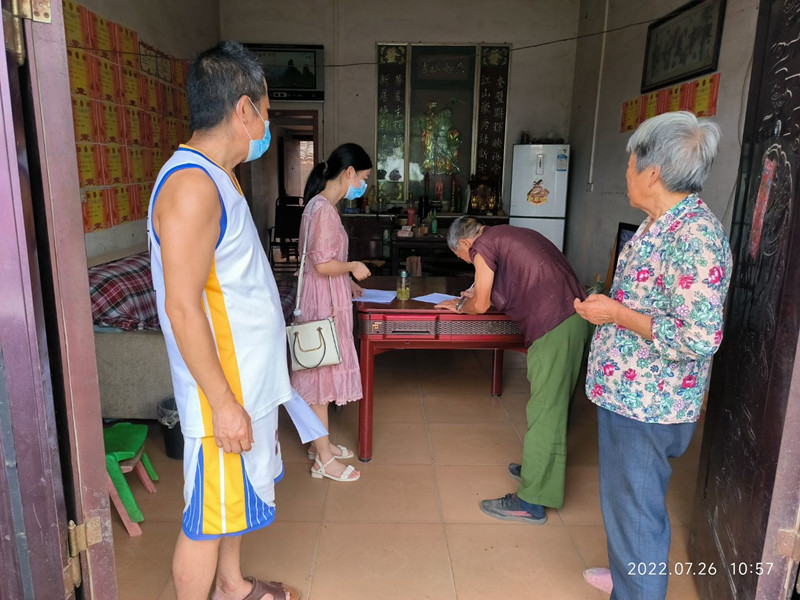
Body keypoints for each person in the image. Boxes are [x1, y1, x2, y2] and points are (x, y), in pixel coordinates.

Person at [147, 41, 298, 600]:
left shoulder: (217, 176)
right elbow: (183, 306)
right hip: (222, 395)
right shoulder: (191, 186)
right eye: (265, 110)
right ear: (242, 110)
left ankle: (232, 587)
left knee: (235, 497)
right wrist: (224, 404)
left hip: (244, 385)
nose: (265, 123)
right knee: (206, 515)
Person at [573, 111, 732, 600]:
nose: (626, 174)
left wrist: (617, 315)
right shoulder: (657, 224)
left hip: (650, 405)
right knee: (627, 503)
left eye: (628, 165)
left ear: (653, 172)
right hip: (628, 393)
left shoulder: (695, 238)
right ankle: (628, 573)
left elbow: (700, 337)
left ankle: (636, 589)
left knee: (636, 509)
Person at [436, 217, 591, 523]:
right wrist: (476, 295)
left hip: (555, 325)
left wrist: (458, 306)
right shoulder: (508, 234)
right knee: (554, 406)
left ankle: (531, 502)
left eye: (462, 258)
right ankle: (538, 469)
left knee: (546, 411)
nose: (470, 262)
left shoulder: (483, 246)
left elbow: (479, 305)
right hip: (570, 319)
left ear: (466, 244)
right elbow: (511, 283)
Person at [290, 143, 373, 482]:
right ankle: (323, 460)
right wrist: (352, 266)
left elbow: (319, 261)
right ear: (348, 173)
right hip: (322, 302)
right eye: (363, 178)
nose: (363, 185)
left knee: (319, 371)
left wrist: (347, 282)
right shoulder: (323, 209)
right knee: (321, 378)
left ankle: (318, 444)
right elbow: (323, 264)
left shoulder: (318, 206)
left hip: (324, 296)